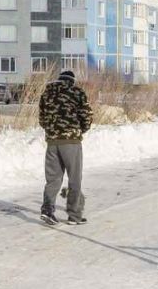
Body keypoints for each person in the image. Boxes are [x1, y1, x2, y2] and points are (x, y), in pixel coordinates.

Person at [38, 69, 93, 225]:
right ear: (72, 81)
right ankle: (74, 216)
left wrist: (52, 130)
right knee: (74, 178)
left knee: (53, 179)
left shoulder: (47, 94)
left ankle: (47, 210)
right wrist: (79, 130)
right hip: (71, 142)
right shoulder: (77, 92)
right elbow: (87, 116)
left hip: (52, 142)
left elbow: (42, 118)